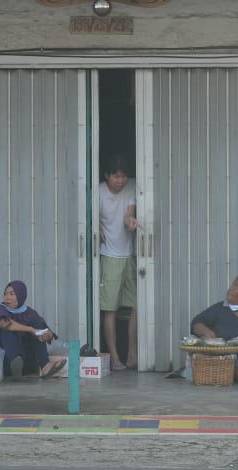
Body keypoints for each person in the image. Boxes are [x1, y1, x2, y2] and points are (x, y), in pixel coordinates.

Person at [99, 154, 141, 371]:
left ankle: (132, 354)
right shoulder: (96, 192)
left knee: (136, 305)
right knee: (110, 309)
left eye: (123, 176)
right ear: (107, 175)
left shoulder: (132, 186)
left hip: (130, 256)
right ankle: (115, 357)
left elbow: (128, 215)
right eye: (115, 176)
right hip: (110, 257)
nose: (120, 181)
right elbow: (86, 217)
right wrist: (94, 228)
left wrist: (131, 222)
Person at [0, 280, 66, 379]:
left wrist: (44, 335)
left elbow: (46, 331)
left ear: (21, 295)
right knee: (7, 328)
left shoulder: (30, 313)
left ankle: (45, 366)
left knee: (38, 325)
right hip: (5, 362)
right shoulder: (0, 308)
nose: (7, 297)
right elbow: (4, 325)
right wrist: (31, 330)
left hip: (26, 363)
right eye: (5, 294)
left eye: (12, 294)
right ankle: (15, 363)